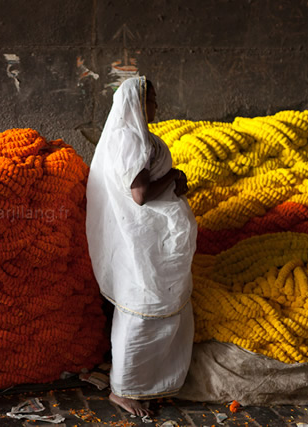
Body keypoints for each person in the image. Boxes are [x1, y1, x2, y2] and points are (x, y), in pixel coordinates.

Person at [85, 76, 197, 416]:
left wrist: (176, 182)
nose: (156, 107)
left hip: (155, 241)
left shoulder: (140, 137)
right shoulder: (128, 139)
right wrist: (174, 175)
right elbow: (140, 195)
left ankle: (147, 382)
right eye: (152, 101)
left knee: (155, 309)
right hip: (142, 244)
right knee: (142, 312)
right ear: (137, 103)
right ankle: (123, 389)